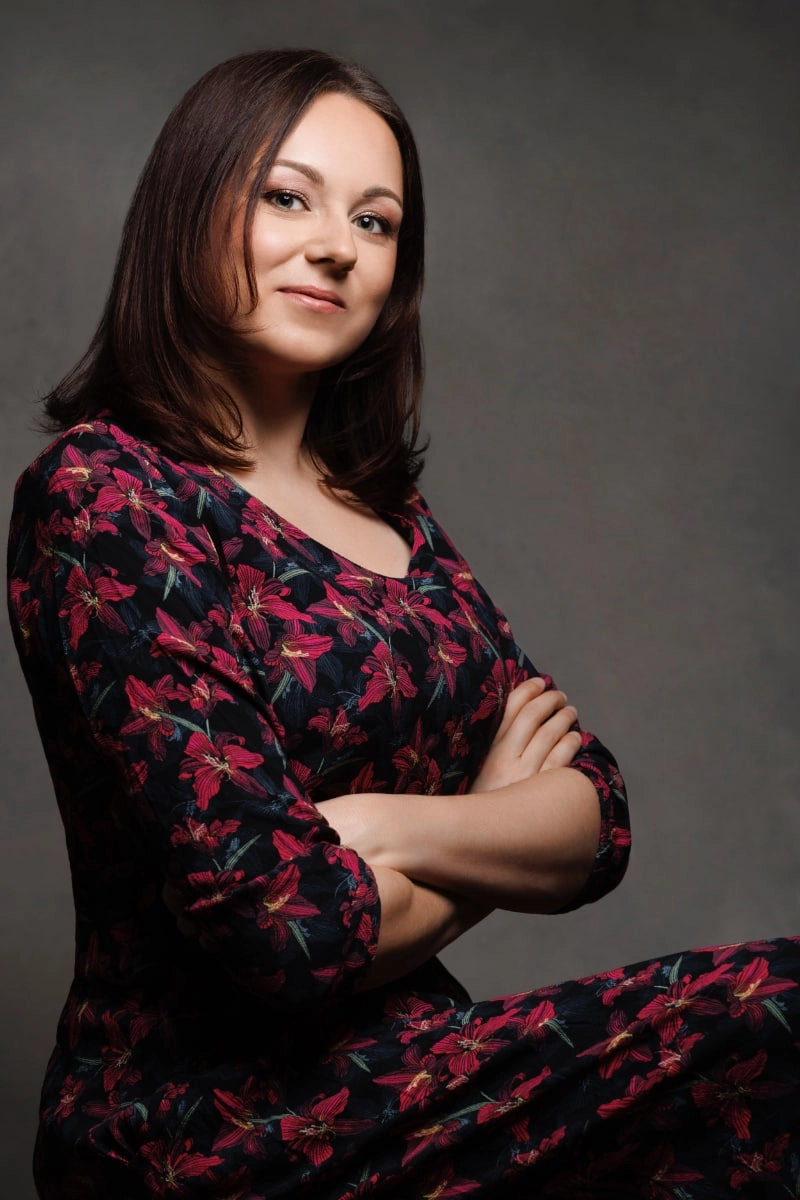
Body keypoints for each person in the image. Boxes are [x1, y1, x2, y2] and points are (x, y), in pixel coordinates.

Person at [7, 48, 800, 1200]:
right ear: (190, 209)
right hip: (205, 1128)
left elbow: (594, 816)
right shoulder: (108, 495)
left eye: (373, 221)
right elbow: (286, 931)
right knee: (771, 1017)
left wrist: (387, 826)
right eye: (288, 197)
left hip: (417, 1074)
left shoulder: (393, 521)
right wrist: (488, 834)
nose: (336, 245)